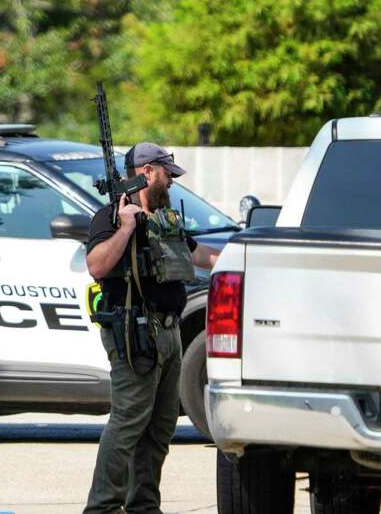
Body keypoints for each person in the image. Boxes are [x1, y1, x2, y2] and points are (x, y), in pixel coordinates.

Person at [84, 142, 219, 513]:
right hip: (135, 333)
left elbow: (200, 255)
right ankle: (102, 508)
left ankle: (143, 505)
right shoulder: (111, 218)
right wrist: (126, 227)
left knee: (159, 430)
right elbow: (96, 265)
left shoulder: (164, 219)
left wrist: (244, 258)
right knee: (128, 423)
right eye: (167, 176)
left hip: (170, 332)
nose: (171, 184)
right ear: (147, 173)